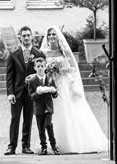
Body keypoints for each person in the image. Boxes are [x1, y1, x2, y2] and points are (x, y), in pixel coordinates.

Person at [38, 25, 109, 154]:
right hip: (51, 84)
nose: (51, 37)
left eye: (54, 34)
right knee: (52, 112)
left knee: (67, 109)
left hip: (64, 84)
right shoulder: (44, 52)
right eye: (49, 35)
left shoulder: (64, 51)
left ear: (58, 36)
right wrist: (49, 71)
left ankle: (71, 143)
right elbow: (40, 67)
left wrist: (64, 70)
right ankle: (52, 143)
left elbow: (74, 68)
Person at [5, 26, 46, 155]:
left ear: (32, 37)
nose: (26, 38)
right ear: (20, 38)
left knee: (28, 119)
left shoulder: (38, 54)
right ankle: (11, 146)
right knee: (14, 119)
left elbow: (42, 73)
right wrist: (10, 93)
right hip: (16, 93)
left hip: (31, 93)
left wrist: (34, 79)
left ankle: (25, 146)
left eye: (28, 35)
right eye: (24, 36)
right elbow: (9, 75)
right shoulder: (13, 55)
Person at [27, 57, 61, 155]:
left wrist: (54, 92)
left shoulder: (50, 79)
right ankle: (44, 147)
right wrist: (37, 93)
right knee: (41, 128)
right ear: (35, 68)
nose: (40, 68)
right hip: (38, 108)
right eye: (38, 66)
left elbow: (55, 95)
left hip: (48, 107)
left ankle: (54, 146)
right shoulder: (32, 81)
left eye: (42, 66)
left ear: (45, 67)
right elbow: (31, 96)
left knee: (48, 125)